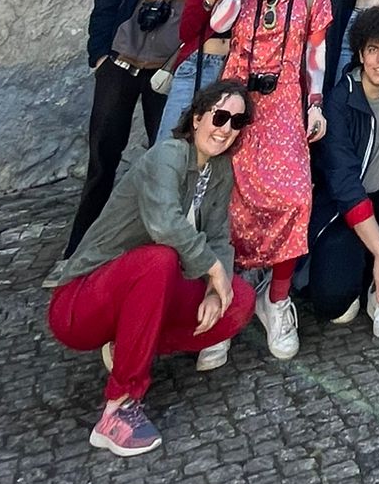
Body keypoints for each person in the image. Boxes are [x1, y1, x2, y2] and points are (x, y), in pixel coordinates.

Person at [46, 79, 257, 459]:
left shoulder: (220, 170)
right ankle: (118, 409)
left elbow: (219, 238)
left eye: (237, 122)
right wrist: (212, 268)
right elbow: (164, 225)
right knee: (160, 259)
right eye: (219, 116)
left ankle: (128, 345)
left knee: (238, 300)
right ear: (197, 118)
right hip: (79, 301)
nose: (226, 128)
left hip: (140, 291)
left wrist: (216, 289)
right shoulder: (168, 155)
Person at [65, 0, 221, 258]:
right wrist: (99, 53)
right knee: (102, 158)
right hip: (122, 57)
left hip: (173, 64)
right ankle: (79, 250)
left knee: (167, 160)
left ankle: (152, 252)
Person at [210, 0, 331, 363]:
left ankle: (275, 299)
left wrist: (315, 103)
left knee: (296, 196)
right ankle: (224, 302)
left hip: (283, 101)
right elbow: (218, 23)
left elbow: (315, 52)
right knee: (231, 202)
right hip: (236, 98)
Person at [308, 4, 379, 341]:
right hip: (345, 210)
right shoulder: (340, 101)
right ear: (359, 53)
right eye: (373, 50)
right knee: (333, 304)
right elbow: (344, 185)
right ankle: (374, 261)